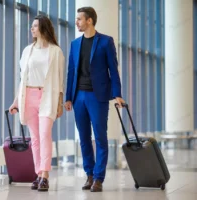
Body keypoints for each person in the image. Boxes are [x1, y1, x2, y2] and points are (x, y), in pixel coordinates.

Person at [64, 7, 125, 192]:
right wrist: (68, 97)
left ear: (89, 20)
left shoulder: (106, 42)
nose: (77, 22)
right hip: (78, 97)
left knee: (100, 137)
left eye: (79, 19)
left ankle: (99, 177)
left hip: (97, 96)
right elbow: (71, 72)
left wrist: (118, 94)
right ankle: (89, 174)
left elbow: (113, 70)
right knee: (83, 138)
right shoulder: (75, 44)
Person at [9, 15, 65, 192]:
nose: (32, 29)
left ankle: (45, 175)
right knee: (35, 139)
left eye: (35, 26)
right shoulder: (27, 51)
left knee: (44, 134)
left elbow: (60, 80)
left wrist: (59, 103)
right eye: (32, 26)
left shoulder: (56, 51)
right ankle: (38, 173)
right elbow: (22, 79)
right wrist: (16, 102)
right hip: (29, 97)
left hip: (47, 96)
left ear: (43, 28)